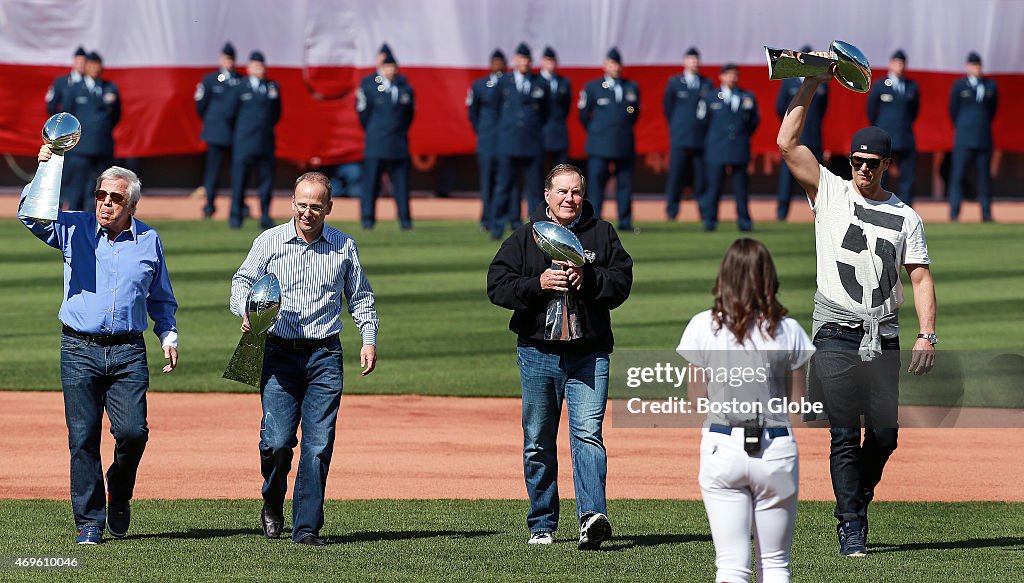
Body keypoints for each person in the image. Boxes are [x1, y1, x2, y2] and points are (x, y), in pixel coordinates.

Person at [778, 62, 937, 557]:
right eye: (855, 161)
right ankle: (852, 526)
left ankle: (856, 498)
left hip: (882, 334)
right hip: (836, 332)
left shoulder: (905, 216)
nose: (862, 169)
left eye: (871, 162)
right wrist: (811, 82)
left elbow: (920, 277)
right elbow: (786, 142)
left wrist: (926, 333)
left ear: (887, 164)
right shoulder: (828, 191)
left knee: (885, 436)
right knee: (844, 435)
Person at [19, 148, 179, 545]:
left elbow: (160, 296)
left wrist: (168, 333)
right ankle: (89, 520)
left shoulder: (149, 240)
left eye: (116, 198)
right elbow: (29, 214)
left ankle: (119, 491)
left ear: (132, 205)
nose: (106, 203)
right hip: (78, 349)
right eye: (101, 195)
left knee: (133, 433)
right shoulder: (73, 228)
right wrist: (46, 165)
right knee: (83, 437)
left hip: (128, 350)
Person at [487, 163, 633, 550]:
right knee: (538, 439)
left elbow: (622, 283)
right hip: (538, 352)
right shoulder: (524, 237)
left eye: (576, 192)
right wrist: (538, 284)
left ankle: (592, 518)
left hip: (590, 353)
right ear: (548, 196)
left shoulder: (602, 234)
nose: (570, 199)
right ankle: (542, 523)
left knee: (587, 434)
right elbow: (496, 286)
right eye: (562, 192)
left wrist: (590, 279)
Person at [230, 171, 379, 546]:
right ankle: (272, 500)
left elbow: (360, 297)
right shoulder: (270, 241)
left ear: (329, 207)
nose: (307, 213)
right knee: (277, 442)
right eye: (301, 205)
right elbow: (242, 280)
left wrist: (368, 339)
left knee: (317, 445)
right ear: (291, 203)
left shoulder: (344, 246)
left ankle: (307, 528)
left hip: (325, 356)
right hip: (278, 353)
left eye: (316, 206)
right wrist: (244, 311)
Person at [677, 238, 814, 583]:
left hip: (722, 446)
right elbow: (797, 403)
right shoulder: (788, 330)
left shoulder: (702, 326)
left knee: (731, 567)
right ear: (768, 278)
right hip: (776, 447)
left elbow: (697, 399)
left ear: (724, 276)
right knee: (776, 565)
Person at [489, 42, 550, 240]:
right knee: (503, 186)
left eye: (527, 59)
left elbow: (545, 113)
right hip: (508, 143)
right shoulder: (504, 83)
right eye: (520, 59)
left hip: (531, 144)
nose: (524, 62)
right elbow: (495, 111)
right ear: (515, 61)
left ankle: (537, 231)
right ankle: (497, 226)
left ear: (531, 61)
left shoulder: (540, 83)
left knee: (534, 190)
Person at [578, 47, 640, 231]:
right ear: (605, 66)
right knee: (596, 185)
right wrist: (597, 131)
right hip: (599, 144)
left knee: (625, 184)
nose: (615, 67)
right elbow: (583, 115)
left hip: (623, 143)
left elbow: (634, 114)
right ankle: (594, 220)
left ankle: (625, 221)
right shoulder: (593, 87)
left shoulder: (631, 87)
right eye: (612, 63)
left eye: (618, 64)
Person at [357, 48, 415, 230]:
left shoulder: (405, 87)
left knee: (401, 185)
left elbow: (408, 115)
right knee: (371, 184)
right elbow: (363, 114)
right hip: (376, 142)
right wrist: (375, 130)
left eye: (393, 67)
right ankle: (368, 219)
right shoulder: (369, 86)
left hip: (398, 143)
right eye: (387, 67)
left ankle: (405, 220)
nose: (390, 70)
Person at [702, 63, 759, 231]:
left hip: (739, 148)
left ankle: (744, 222)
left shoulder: (746, 96)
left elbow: (753, 121)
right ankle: (710, 222)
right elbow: (702, 123)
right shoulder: (711, 97)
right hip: (716, 149)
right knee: (713, 188)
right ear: (721, 76)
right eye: (728, 74)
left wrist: (742, 136)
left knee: (741, 189)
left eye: (735, 74)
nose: (732, 77)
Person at [61, 51, 121, 212]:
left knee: (99, 188)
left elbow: (116, 116)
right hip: (80, 149)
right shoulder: (74, 89)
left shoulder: (110, 88)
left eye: (98, 64)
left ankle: (95, 222)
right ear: (85, 67)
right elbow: (67, 117)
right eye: (91, 64)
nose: (95, 68)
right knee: (76, 189)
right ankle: (74, 222)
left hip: (102, 147)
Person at [228, 50, 281, 229]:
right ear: (249, 68)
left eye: (262, 65)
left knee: (265, 181)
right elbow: (231, 114)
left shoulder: (272, 87)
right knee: (239, 181)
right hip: (244, 143)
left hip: (265, 143)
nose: (261, 69)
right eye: (257, 66)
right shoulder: (240, 87)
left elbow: (276, 114)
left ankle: (265, 216)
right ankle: (236, 216)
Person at [777, 45, 829, 219]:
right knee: (786, 179)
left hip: (813, 137)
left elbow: (823, 110)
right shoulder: (789, 81)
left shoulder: (821, 82)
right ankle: (782, 215)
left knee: (819, 178)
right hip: (794, 138)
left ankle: (822, 212)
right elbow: (780, 108)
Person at [663, 46, 713, 221]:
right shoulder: (675, 83)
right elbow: (668, 108)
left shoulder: (707, 83)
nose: (694, 62)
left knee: (701, 178)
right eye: (691, 59)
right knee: (676, 176)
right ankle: (672, 211)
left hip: (700, 139)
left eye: (697, 59)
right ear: (685, 62)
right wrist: (678, 128)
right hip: (680, 137)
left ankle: (705, 212)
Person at [949, 51, 998, 222]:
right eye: (973, 66)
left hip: (984, 138)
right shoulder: (959, 86)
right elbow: (953, 111)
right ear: (968, 67)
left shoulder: (990, 85)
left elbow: (992, 110)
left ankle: (986, 214)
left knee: (984, 177)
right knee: (958, 175)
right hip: (964, 138)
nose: (976, 69)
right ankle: (954, 213)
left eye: (978, 66)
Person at [195, 42, 241, 217]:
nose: (228, 62)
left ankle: (238, 205)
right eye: (226, 58)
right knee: (213, 170)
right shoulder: (210, 80)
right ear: (221, 59)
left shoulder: (239, 80)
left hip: (235, 134)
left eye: (231, 59)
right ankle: (209, 204)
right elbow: (201, 105)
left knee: (236, 172)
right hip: (216, 132)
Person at [867, 49, 918, 206]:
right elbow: (870, 111)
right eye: (896, 63)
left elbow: (915, 111)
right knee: (883, 174)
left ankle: (907, 209)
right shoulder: (880, 85)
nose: (899, 66)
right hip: (886, 138)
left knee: (907, 177)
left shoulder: (911, 87)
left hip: (905, 136)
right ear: (890, 64)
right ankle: (882, 206)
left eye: (902, 63)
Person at [467, 49, 507, 231]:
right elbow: (472, 113)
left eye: (501, 62)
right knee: (487, 182)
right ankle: (486, 218)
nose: (498, 65)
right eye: (495, 62)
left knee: (506, 182)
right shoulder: (480, 85)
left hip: (507, 140)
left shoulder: (510, 84)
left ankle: (504, 216)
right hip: (487, 141)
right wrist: (483, 131)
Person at [540, 47, 572, 167]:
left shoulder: (564, 82)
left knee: (560, 169)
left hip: (559, 131)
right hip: (540, 132)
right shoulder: (536, 81)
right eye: (547, 60)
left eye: (553, 60)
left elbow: (566, 107)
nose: (550, 64)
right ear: (542, 62)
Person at [45, 46, 87, 115]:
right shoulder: (61, 82)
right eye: (79, 62)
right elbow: (51, 105)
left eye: (83, 62)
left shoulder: (89, 82)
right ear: (74, 61)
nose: (81, 65)